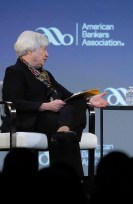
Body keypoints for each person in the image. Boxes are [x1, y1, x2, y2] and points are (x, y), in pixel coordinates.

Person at [0, 30, 109, 177]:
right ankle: (72, 181)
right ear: (30, 50)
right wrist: (44, 106)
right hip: (25, 120)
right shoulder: (14, 71)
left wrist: (89, 100)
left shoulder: (45, 74)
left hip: (51, 119)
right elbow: (13, 102)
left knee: (77, 103)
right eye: (44, 49)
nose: (47, 54)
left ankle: (63, 131)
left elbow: (69, 96)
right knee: (62, 129)